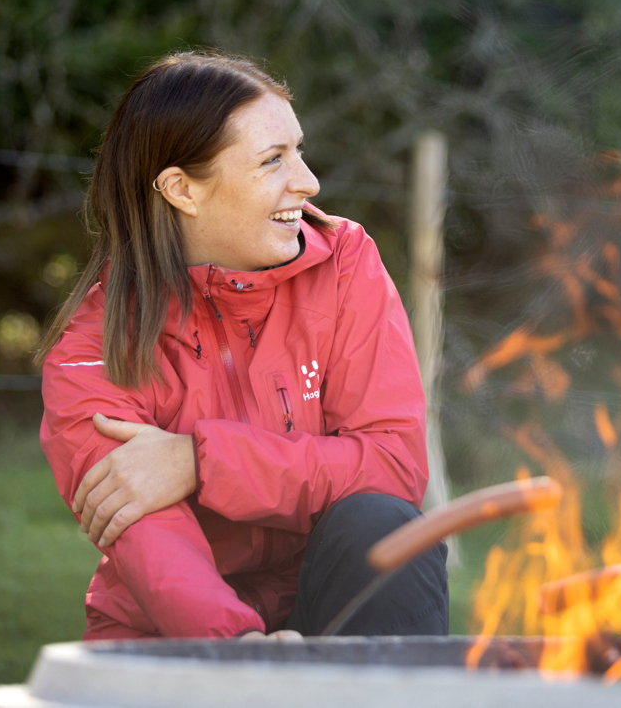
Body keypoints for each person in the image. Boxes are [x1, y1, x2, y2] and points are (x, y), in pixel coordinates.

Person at [38, 52, 447, 640]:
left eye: (298, 150)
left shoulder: (347, 263)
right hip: (179, 640)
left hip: (329, 608)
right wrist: (243, 652)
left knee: (385, 526)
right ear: (181, 189)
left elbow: (393, 467)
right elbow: (155, 549)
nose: (307, 182)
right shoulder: (91, 351)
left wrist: (202, 461)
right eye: (272, 160)